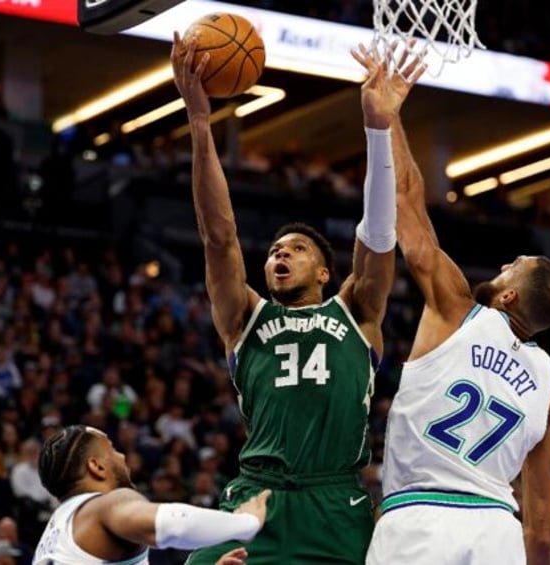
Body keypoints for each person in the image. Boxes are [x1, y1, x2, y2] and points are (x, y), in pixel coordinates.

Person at [170, 31, 423, 565]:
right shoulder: (244, 316)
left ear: (327, 272)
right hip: (257, 498)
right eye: (274, 251)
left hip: (336, 504)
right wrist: (199, 123)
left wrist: (377, 130)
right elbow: (219, 236)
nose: (278, 256)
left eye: (296, 249)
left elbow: (379, 237)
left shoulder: (357, 311)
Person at [353, 47, 550, 565]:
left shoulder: (458, 311)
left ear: (509, 295)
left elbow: (406, 201)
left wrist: (388, 121)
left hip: (419, 520)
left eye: (511, 266)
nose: (502, 265)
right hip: (498, 530)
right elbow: (541, 530)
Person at [33, 425, 270, 565]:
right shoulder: (104, 505)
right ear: (97, 467)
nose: (123, 458)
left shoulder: (55, 534)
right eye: (113, 450)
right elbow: (172, 524)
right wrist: (247, 522)